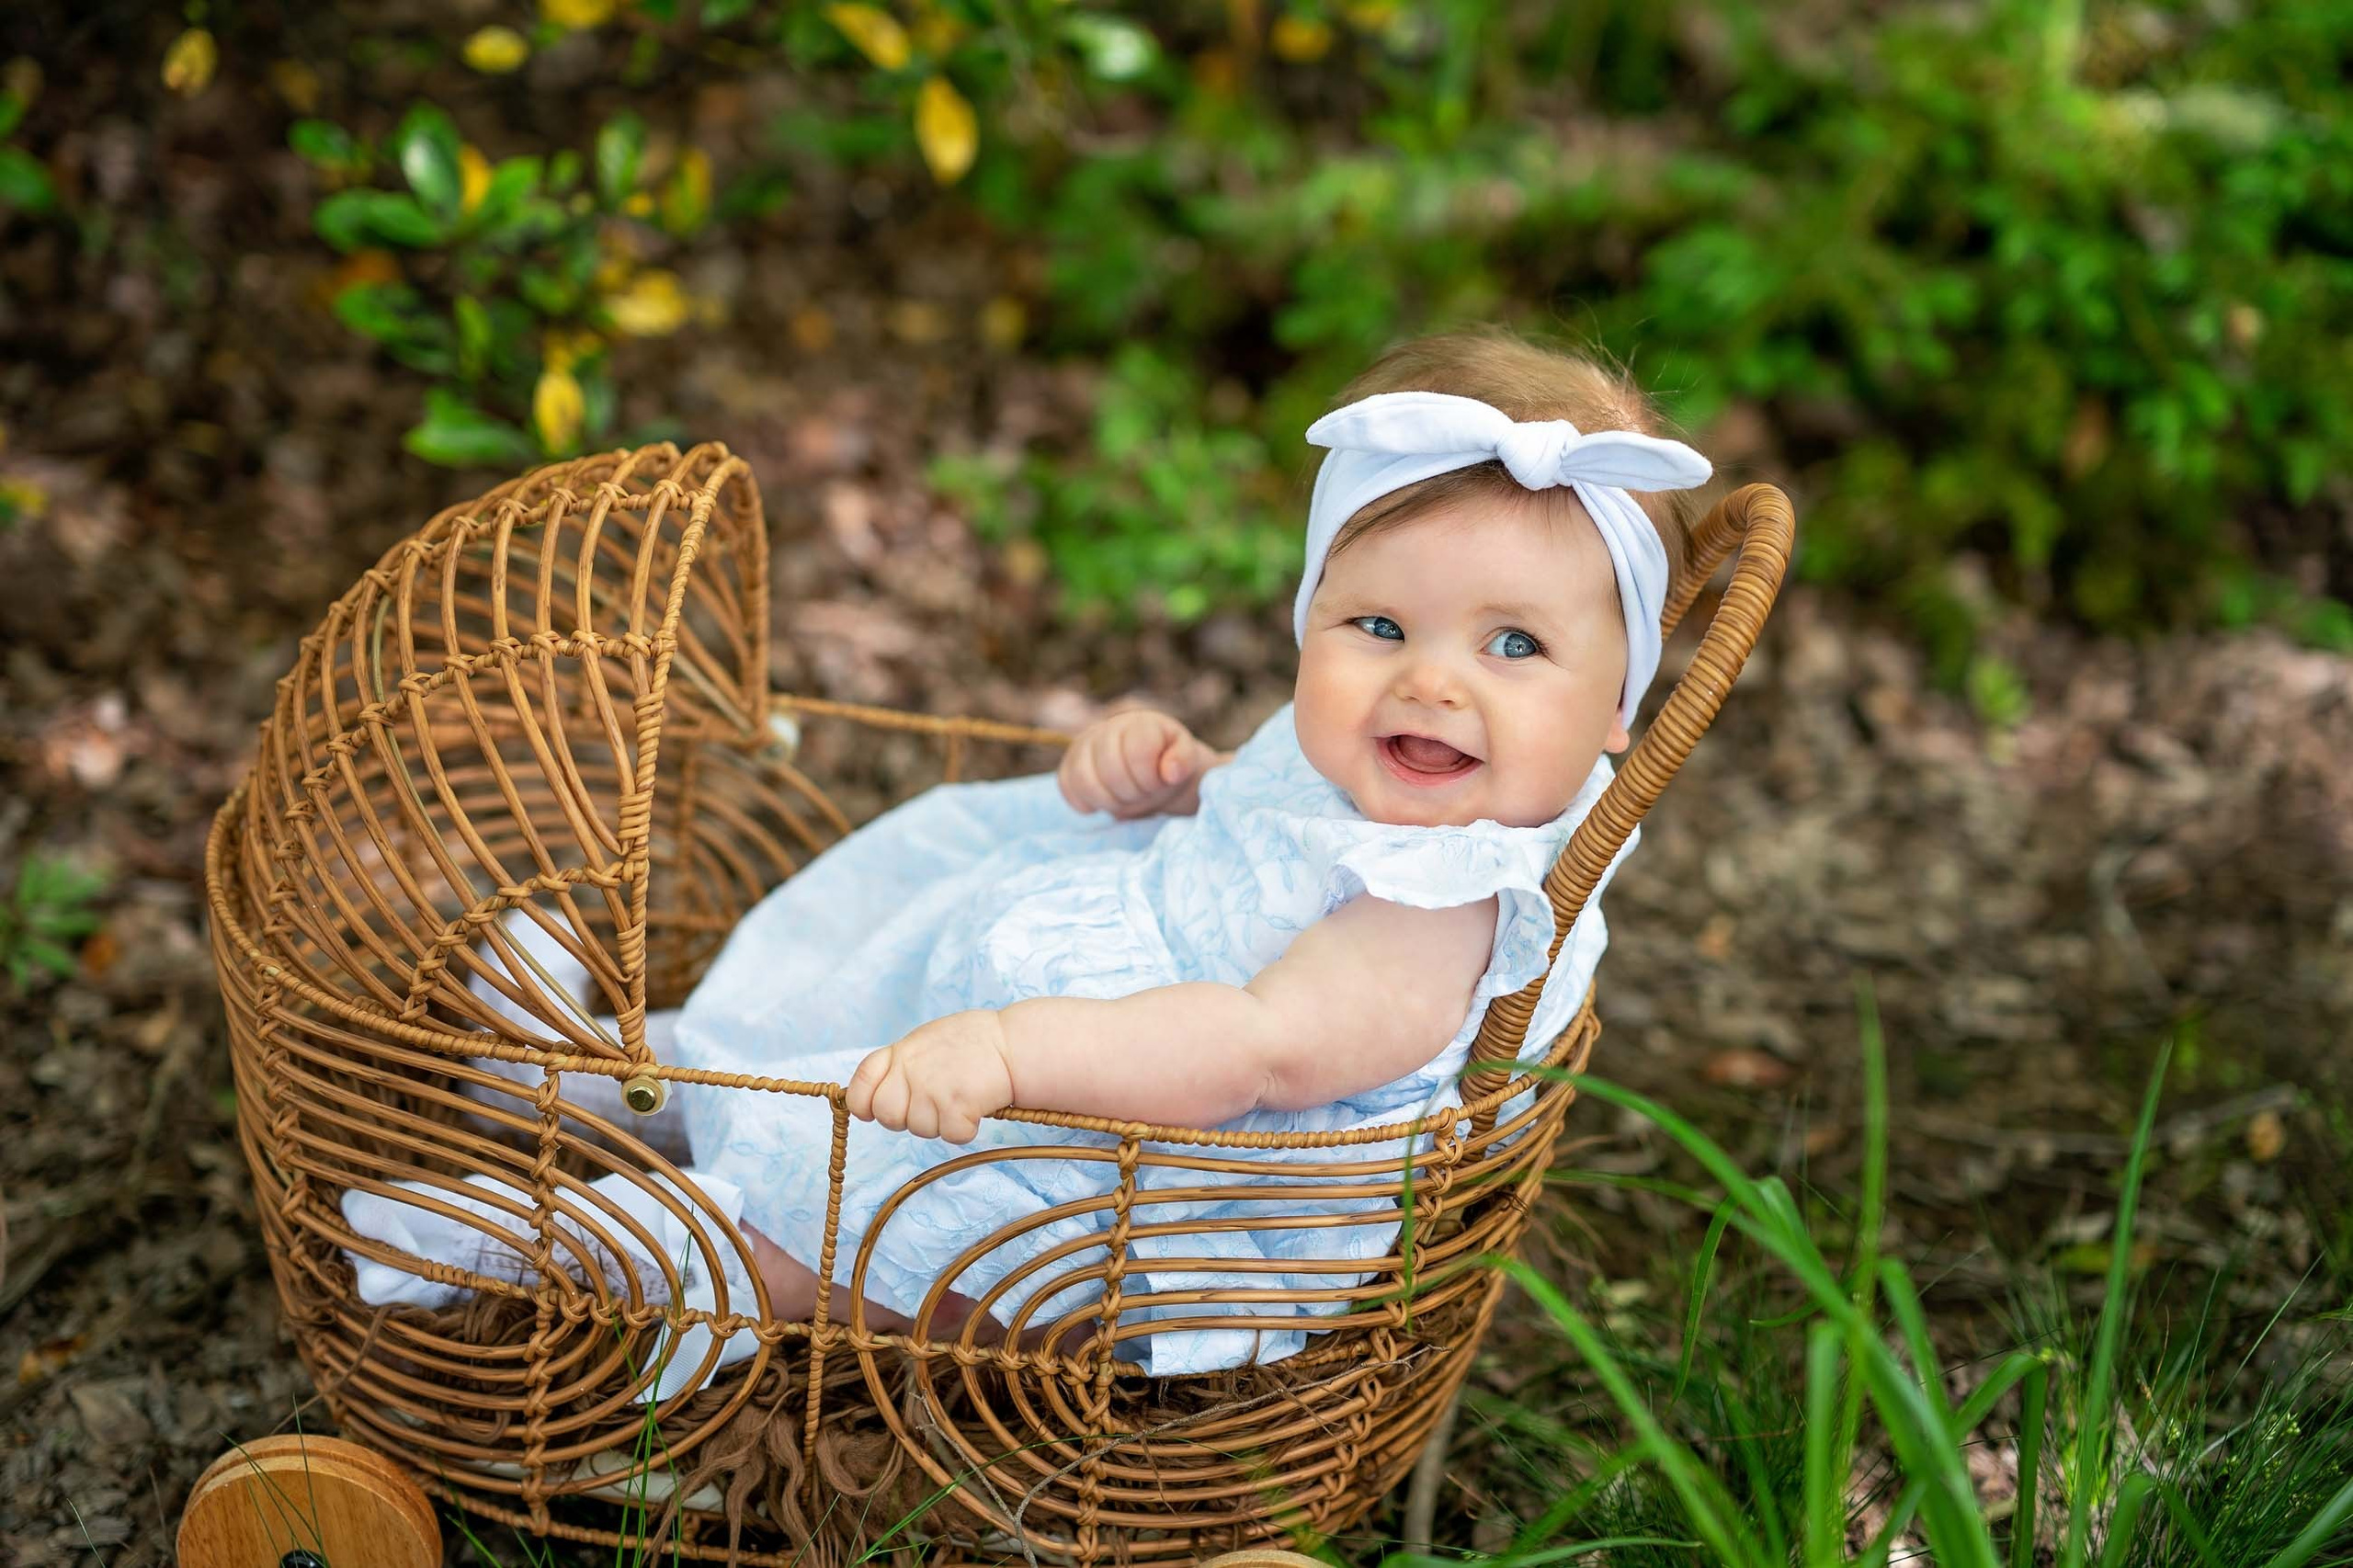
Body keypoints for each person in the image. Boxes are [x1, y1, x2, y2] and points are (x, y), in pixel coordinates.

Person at [342, 325, 1712, 1386]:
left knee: (852, 1235)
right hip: (1074, 1034)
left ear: (1613, 712)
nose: (1432, 682)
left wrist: (1004, 1053)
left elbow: (1258, 1046)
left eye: (1514, 643)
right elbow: (1256, 818)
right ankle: (612, 1077)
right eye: (1376, 626)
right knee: (840, 1039)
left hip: (1144, 1181)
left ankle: (570, 1249)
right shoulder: (1387, 764)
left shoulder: (1449, 900)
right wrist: (1158, 774)